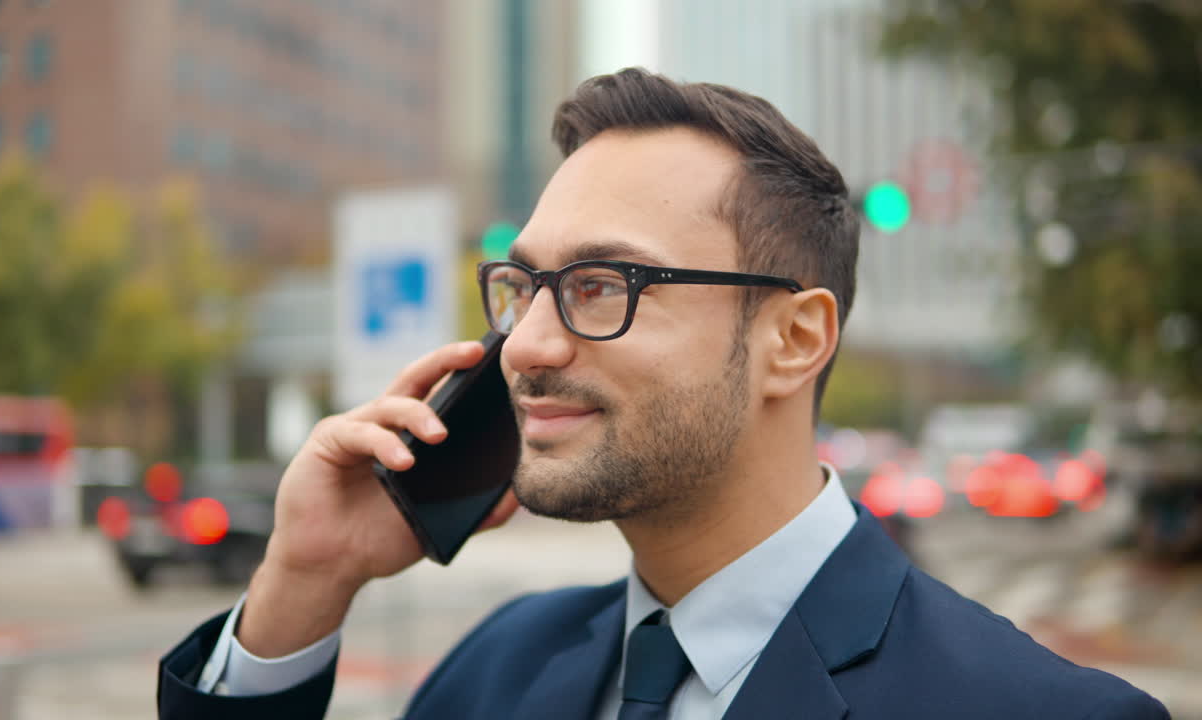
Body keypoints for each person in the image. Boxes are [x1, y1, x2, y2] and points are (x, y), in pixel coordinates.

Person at [157, 69, 1167, 719]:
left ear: (793, 340)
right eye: (524, 287)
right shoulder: (495, 673)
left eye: (603, 286)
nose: (528, 345)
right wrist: (305, 581)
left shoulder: (1028, 710)